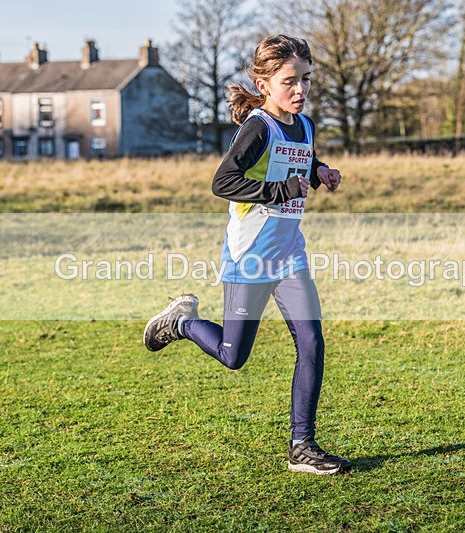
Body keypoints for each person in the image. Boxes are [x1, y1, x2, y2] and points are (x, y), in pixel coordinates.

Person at [143, 35, 348, 475]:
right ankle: (181, 321)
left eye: (306, 80)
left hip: (289, 252)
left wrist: (319, 172)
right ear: (265, 84)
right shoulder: (257, 126)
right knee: (234, 356)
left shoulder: (305, 125)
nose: (301, 90)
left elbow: (298, 159)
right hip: (250, 255)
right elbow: (224, 182)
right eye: (290, 81)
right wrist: (281, 190)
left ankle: (302, 446)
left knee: (312, 342)